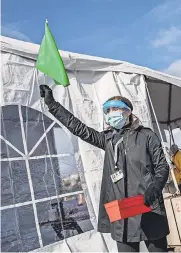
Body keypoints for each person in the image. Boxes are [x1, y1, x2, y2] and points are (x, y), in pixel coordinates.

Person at [39, 85, 169, 252]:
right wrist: (53, 104)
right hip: (122, 211)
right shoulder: (108, 139)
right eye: (107, 111)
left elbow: (162, 165)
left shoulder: (146, 135)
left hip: (148, 206)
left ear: (128, 111)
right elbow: (79, 128)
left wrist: (155, 188)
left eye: (115, 108)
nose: (111, 113)